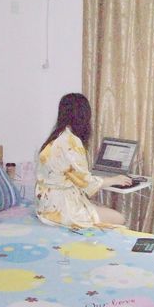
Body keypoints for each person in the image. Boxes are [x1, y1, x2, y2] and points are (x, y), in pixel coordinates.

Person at [35, 93, 132, 228]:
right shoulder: (71, 142)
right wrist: (115, 180)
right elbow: (86, 182)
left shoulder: (55, 138)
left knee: (99, 206)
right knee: (120, 218)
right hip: (60, 210)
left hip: (45, 206)